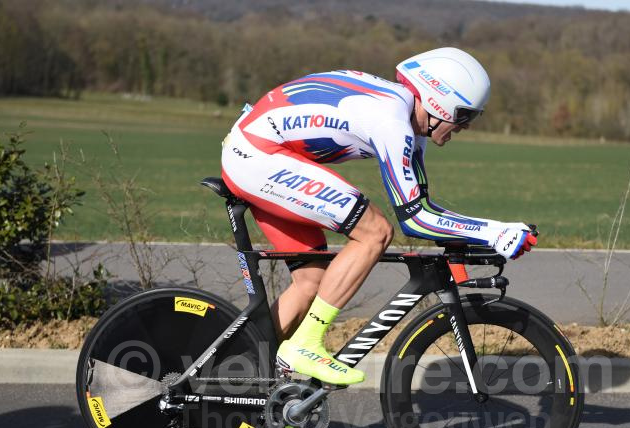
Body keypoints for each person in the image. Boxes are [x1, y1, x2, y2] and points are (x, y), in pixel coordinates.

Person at [220, 47, 537, 386]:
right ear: (438, 101)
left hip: (257, 151)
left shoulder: (406, 122)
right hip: (257, 155)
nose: (465, 127)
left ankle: (238, 374)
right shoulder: (391, 120)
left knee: (312, 281)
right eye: (463, 115)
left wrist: (482, 234)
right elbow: (414, 219)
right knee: (374, 232)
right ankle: (305, 345)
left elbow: (423, 207)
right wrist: (494, 232)